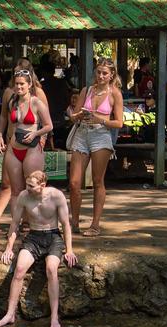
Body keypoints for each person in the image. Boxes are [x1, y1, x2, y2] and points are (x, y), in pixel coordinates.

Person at [0, 171, 78, 327]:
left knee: (51, 269)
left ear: (42, 186)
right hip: (33, 237)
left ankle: (54, 316)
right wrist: (9, 248)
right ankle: (10, 313)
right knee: (19, 270)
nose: (27, 188)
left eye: (31, 186)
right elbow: (14, 224)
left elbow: (66, 225)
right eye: (27, 184)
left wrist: (69, 250)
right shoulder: (24, 196)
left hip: (53, 236)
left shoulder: (57, 196)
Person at [0, 59, 49, 235]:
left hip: (32, 142)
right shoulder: (9, 94)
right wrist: (0, 135)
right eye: (16, 73)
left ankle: (32, 222)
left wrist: (42, 137)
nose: (19, 79)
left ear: (29, 76)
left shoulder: (38, 94)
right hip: (12, 142)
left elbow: (45, 120)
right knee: (7, 184)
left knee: (32, 185)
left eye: (24, 71)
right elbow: (3, 116)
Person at [69, 58, 124, 237]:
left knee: (97, 181)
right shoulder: (87, 90)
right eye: (98, 72)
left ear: (111, 75)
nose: (100, 76)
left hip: (101, 134)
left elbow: (119, 122)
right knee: (75, 182)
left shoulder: (114, 93)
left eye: (104, 73)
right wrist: (79, 115)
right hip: (82, 133)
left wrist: (100, 119)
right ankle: (74, 222)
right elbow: (73, 115)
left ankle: (95, 224)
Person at [0, 67, 53, 230]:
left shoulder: (36, 102)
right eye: (16, 84)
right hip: (14, 147)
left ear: (29, 85)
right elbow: (4, 119)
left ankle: (35, 224)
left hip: (32, 148)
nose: (19, 87)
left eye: (22, 84)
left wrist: (37, 133)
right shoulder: (12, 101)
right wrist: (0, 135)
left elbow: (49, 125)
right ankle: (15, 226)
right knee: (16, 190)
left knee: (34, 188)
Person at [40, 58, 70, 150]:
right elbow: (67, 100)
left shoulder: (42, 86)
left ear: (44, 72)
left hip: (47, 120)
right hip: (59, 118)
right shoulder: (61, 83)